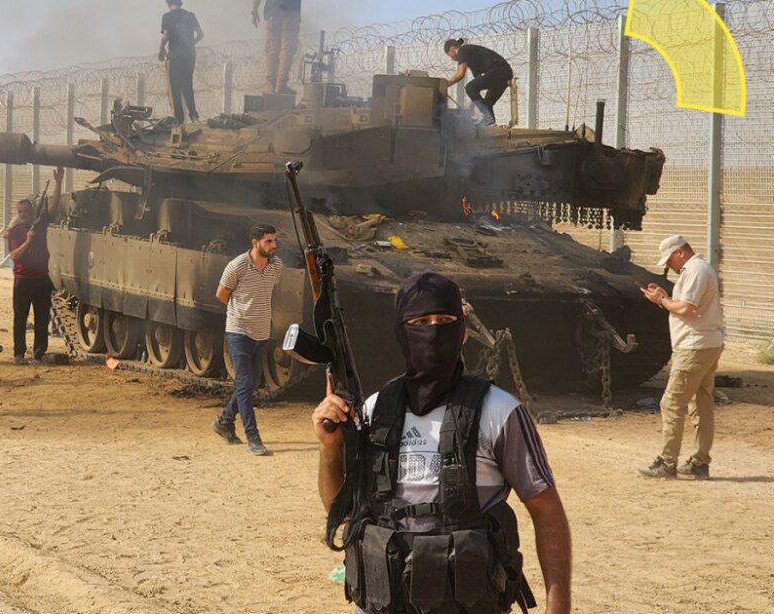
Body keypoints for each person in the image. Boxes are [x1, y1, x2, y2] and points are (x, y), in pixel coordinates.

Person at [313, 272, 572, 613]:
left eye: (445, 321)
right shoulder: (377, 409)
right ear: (401, 332)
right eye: (420, 322)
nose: (434, 332)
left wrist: (558, 607)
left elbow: (546, 511)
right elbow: (342, 511)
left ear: (462, 332)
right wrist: (330, 448)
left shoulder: (498, 411)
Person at [638, 235, 726, 480]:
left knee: (671, 403)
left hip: (693, 346)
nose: (669, 266)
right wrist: (665, 298)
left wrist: (661, 300)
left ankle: (667, 463)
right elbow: (686, 304)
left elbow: (687, 309)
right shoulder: (698, 269)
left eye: (669, 260)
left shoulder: (695, 270)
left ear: (680, 252)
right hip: (706, 343)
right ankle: (700, 462)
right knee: (701, 403)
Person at [212, 223, 284, 456]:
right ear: (255, 243)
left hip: (261, 332)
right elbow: (221, 294)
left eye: (274, 240)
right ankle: (253, 438)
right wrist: (240, 313)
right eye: (268, 241)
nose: (273, 245)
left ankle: (224, 422)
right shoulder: (237, 266)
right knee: (244, 384)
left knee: (251, 383)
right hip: (239, 332)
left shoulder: (276, 266)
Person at [7, 167, 64, 365]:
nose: (23, 214)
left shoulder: (40, 224)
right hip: (23, 280)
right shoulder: (15, 231)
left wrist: (58, 183)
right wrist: (28, 241)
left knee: (42, 318)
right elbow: (15, 256)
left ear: (32, 210)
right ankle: (19, 354)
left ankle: (39, 352)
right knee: (20, 318)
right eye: (20, 211)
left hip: (41, 278)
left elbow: (53, 207)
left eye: (26, 211)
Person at [444, 38, 514, 126]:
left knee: (470, 87)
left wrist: (445, 84)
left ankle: (488, 118)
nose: (451, 58)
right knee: (487, 103)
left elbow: (460, 74)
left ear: (451, 50)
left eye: (450, 56)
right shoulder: (472, 58)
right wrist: (472, 105)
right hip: (504, 73)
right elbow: (477, 84)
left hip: (499, 70)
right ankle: (489, 124)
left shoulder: (463, 51)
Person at [158, 0, 203, 122]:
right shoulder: (190, 15)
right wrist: (191, 44)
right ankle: (194, 115)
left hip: (175, 55)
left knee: (175, 88)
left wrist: (161, 49)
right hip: (189, 54)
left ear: (168, 4)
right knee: (187, 85)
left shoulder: (167, 17)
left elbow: (166, 35)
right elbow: (200, 34)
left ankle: (179, 119)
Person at [252, 0, 301, 95]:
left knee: (272, 48)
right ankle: (281, 85)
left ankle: (270, 85)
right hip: (290, 14)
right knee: (287, 49)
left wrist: (254, 10)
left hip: (272, 13)